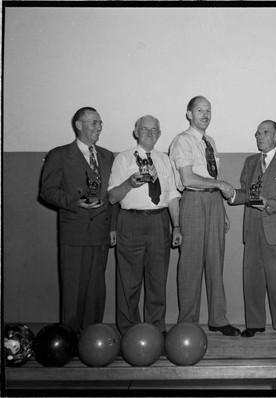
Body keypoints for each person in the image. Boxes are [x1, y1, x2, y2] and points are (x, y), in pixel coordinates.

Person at [39, 106, 117, 334]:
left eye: (100, 122)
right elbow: (47, 191)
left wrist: (112, 226)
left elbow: (112, 195)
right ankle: (69, 338)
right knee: (73, 291)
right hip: (74, 232)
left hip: (100, 233)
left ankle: (92, 339)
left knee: (96, 292)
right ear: (78, 125)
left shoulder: (107, 156)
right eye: (93, 122)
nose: (98, 127)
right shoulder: (59, 155)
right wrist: (75, 201)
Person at [169, 96, 240, 336]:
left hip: (213, 202)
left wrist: (221, 209)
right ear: (189, 114)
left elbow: (211, 180)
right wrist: (220, 184)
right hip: (193, 201)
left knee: (215, 262)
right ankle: (187, 323)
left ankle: (218, 319)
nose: (205, 115)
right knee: (190, 266)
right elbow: (188, 179)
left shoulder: (210, 141)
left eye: (208, 111)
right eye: (200, 110)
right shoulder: (182, 141)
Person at [108, 115, 182, 336]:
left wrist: (176, 226)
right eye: (145, 129)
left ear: (159, 134)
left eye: (154, 130)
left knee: (157, 282)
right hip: (130, 221)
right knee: (128, 283)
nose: (150, 134)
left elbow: (172, 195)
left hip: (160, 222)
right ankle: (129, 332)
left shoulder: (165, 160)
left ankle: (155, 331)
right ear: (136, 132)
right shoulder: (122, 159)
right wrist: (129, 183)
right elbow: (112, 197)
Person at [229, 120, 276, 339]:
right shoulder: (250, 161)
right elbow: (244, 191)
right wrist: (230, 195)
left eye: (265, 133)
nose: (259, 137)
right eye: (258, 133)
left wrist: (268, 201)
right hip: (252, 227)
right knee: (252, 278)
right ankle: (255, 323)